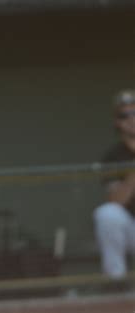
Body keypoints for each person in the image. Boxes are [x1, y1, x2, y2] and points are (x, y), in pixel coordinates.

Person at [93, 89, 135, 279]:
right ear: (118, 122)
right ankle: (116, 282)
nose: (132, 118)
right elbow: (115, 201)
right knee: (107, 214)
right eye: (125, 115)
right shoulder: (113, 157)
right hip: (131, 229)